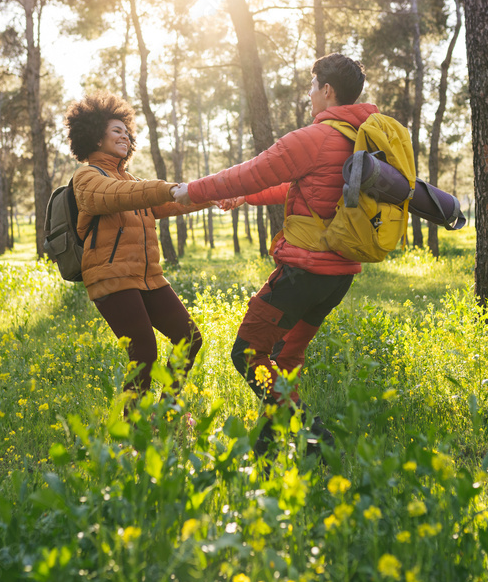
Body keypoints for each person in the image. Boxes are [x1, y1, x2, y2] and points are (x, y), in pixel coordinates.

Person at [172, 53, 374, 459]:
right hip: (338, 275)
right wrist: (245, 197)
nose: (309, 94)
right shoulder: (360, 139)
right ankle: (265, 450)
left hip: (303, 273)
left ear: (327, 90)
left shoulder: (314, 138)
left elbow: (253, 170)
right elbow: (296, 188)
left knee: (247, 354)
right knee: (285, 356)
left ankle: (311, 437)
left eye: (312, 86)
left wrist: (192, 190)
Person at [67, 91, 207, 408]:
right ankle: (133, 429)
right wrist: (167, 187)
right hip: (110, 276)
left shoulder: (130, 178)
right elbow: (123, 195)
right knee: (143, 350)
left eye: (127, 132)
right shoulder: (88, 177)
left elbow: (166, 201)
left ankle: (165, 411)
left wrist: (214, 196)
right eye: (117, 130)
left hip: (147, 278)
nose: (125, 136)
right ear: (95, 135)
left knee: (189, 338)